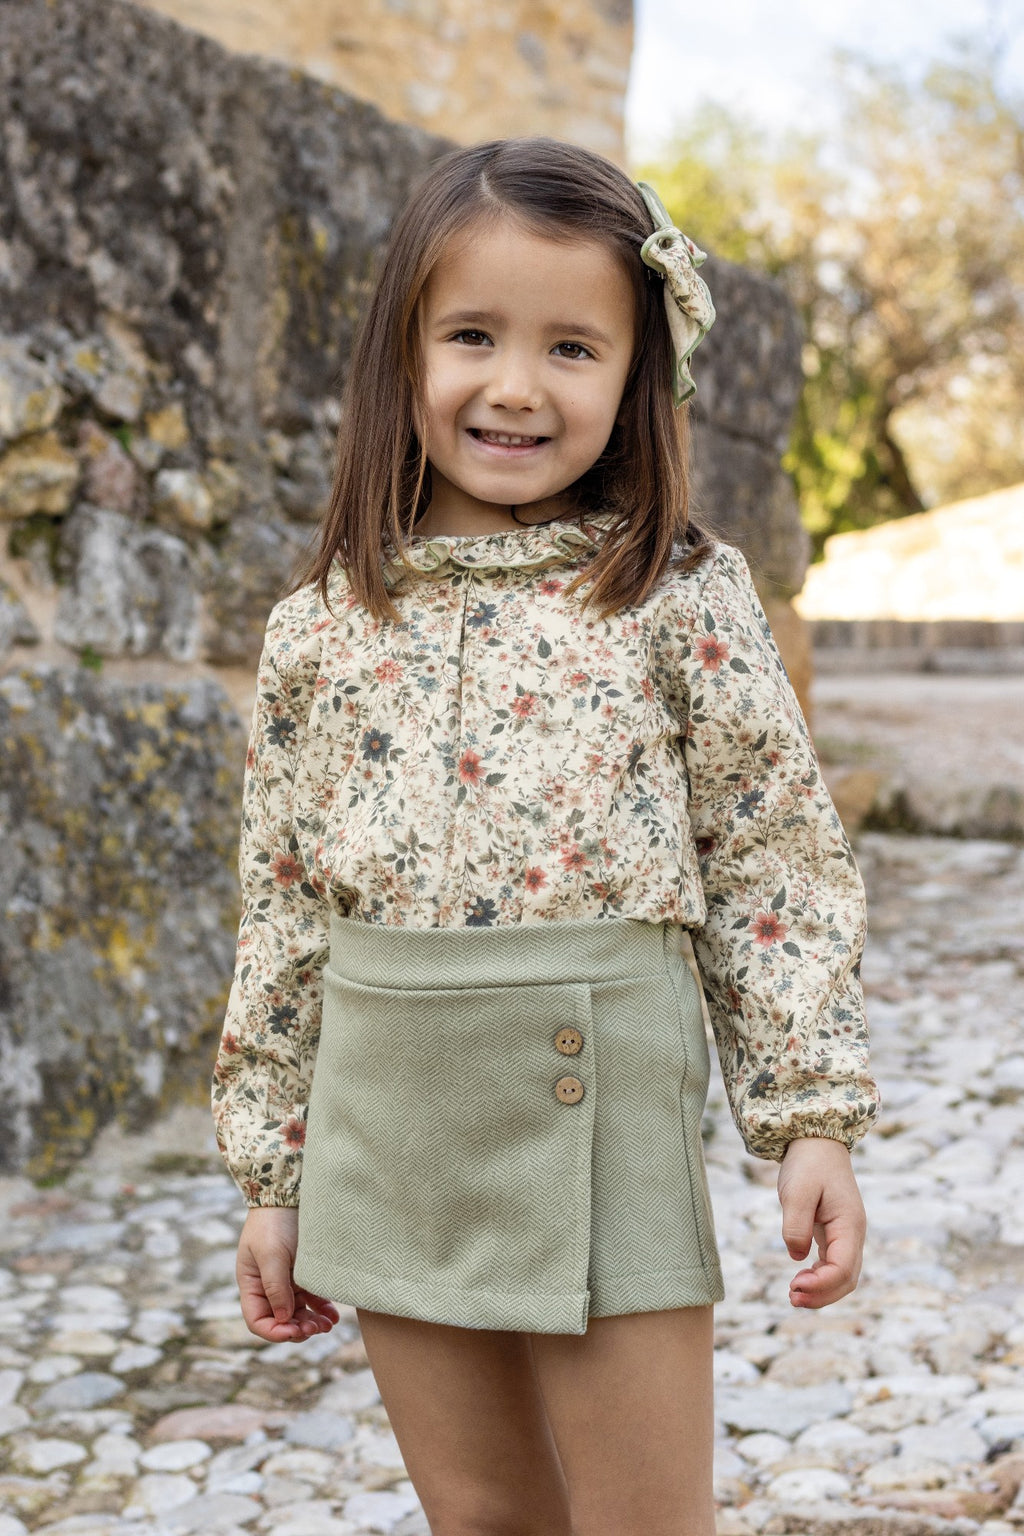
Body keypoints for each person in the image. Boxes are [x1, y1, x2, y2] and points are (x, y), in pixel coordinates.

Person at [212, 136, 880, 1536]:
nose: (516, 386)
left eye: (573, 347)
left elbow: (770, 854)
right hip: (389, 1124)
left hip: (600, 1105)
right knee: (484, 1518)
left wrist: (806, 1115)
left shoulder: (678, 596)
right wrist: (275, 1176)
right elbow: (281, 911)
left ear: (639, 374)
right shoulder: (319, 632)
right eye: (472, 336)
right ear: (404, 354)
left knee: (644, 1524)